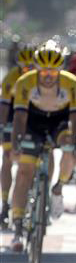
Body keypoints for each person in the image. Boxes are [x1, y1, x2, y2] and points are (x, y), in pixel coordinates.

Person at [9, 40, 76, 251]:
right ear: (37, 70)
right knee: (24, 172)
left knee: (68, 144)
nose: (48, 76)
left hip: (58, 121)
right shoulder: (24, 82)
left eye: (53, 72)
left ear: (61, 70)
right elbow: (19, 116)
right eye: (44, 72)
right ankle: (17, 224)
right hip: (33, 121)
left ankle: (58, 188)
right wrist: (16, 143)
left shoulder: (72, 83)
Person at [0, 44, 35, 228]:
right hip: (14, 116)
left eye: (31, 67)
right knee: (7, 158)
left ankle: (37, 195)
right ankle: (5, 203)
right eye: (24, 67)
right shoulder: (11, 77)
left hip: (35, 117)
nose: (27, 71)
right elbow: (4, 105)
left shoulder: (42, 78)